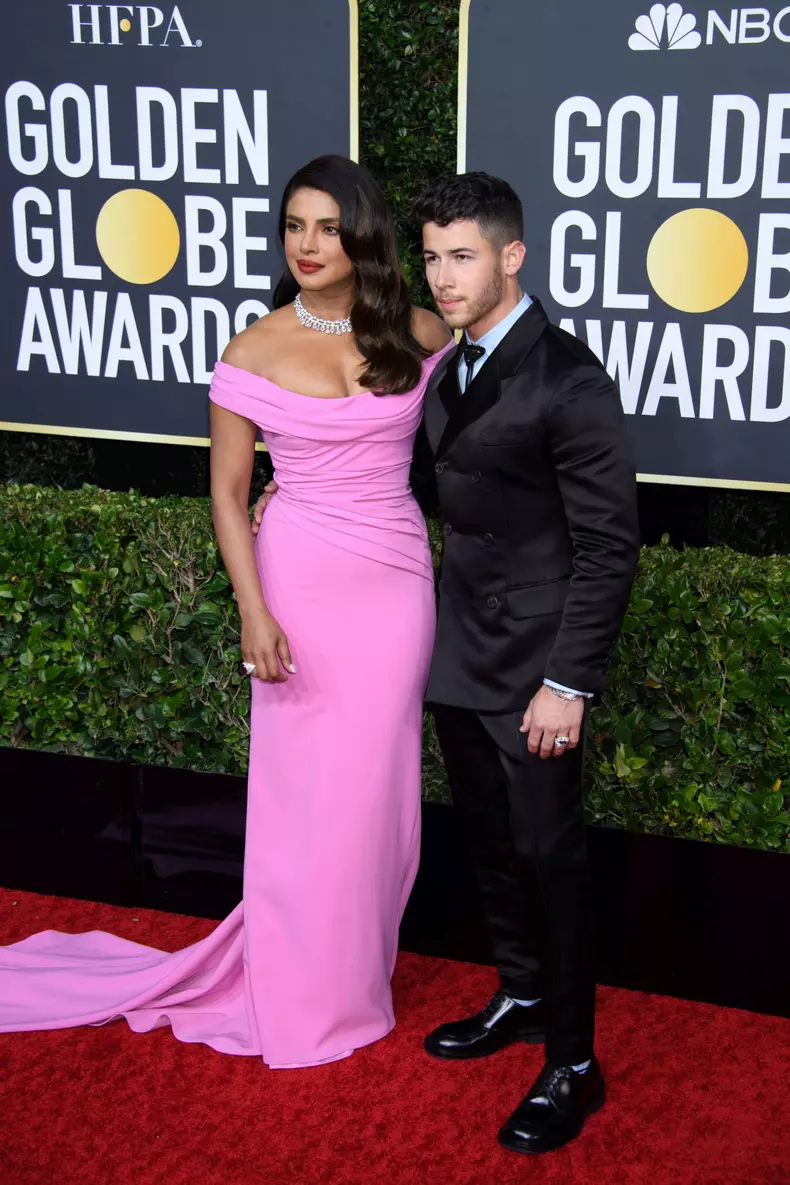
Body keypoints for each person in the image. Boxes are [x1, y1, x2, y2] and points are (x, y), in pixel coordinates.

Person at [0, 155, 452, 1069]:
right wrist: (254, 610)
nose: (307, 245)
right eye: (294, 227)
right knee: (305, 797)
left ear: (364, 235)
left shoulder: (422, 328)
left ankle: (355, 972)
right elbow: (227, 493)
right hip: (298, 581)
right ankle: (300, 985)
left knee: (377, 794)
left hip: (395, 580)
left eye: (328, 228)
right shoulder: (252, 349)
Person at [252, 170, 638, 1138]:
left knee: (548, 852)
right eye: (431, 258)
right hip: (456, 642)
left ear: (512, 256)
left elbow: (608, 546)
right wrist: (289, 491)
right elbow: (418, 474)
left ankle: (574, 1061)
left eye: (463, 257)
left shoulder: (569, 377)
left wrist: (568, 682)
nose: (444, 277)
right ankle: (521, 992)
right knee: (492, 843)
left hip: (537, 664)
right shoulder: (445, 364)